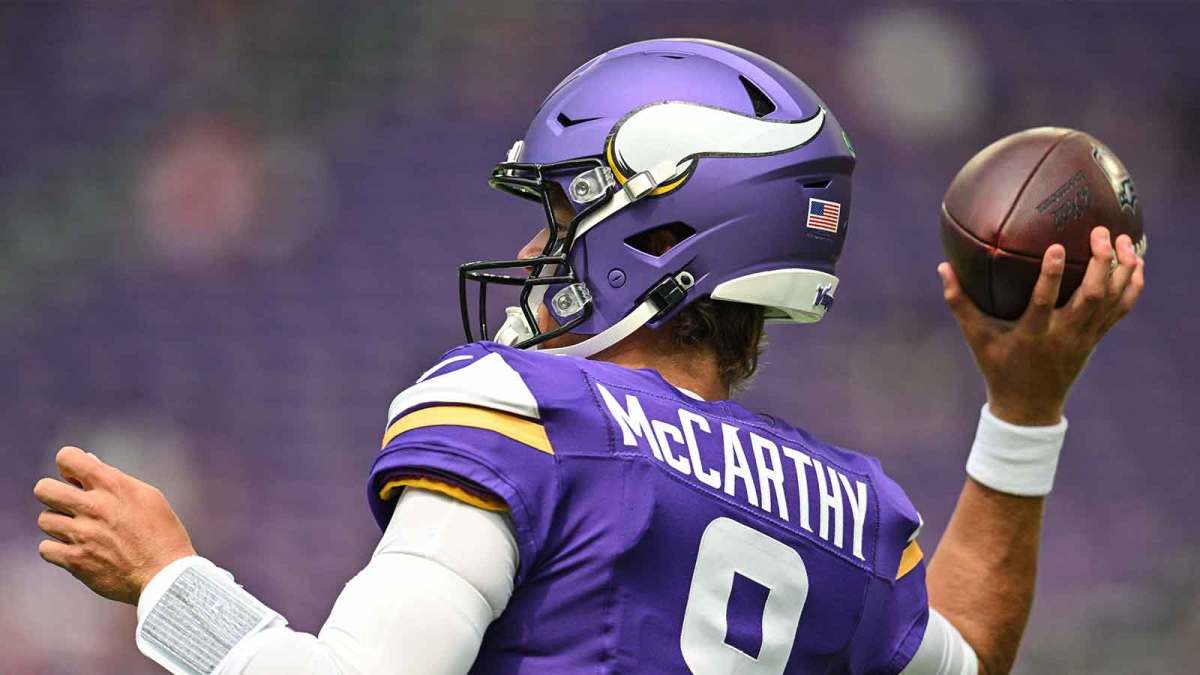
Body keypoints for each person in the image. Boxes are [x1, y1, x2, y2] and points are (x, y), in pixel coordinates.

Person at [32, 39, 1144, 675]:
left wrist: (169, 584)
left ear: (660, 235)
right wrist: (1025, 408)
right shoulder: (860, 513)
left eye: (562, 220)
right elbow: (970, 660)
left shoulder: (520, 409)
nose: (533, 251)